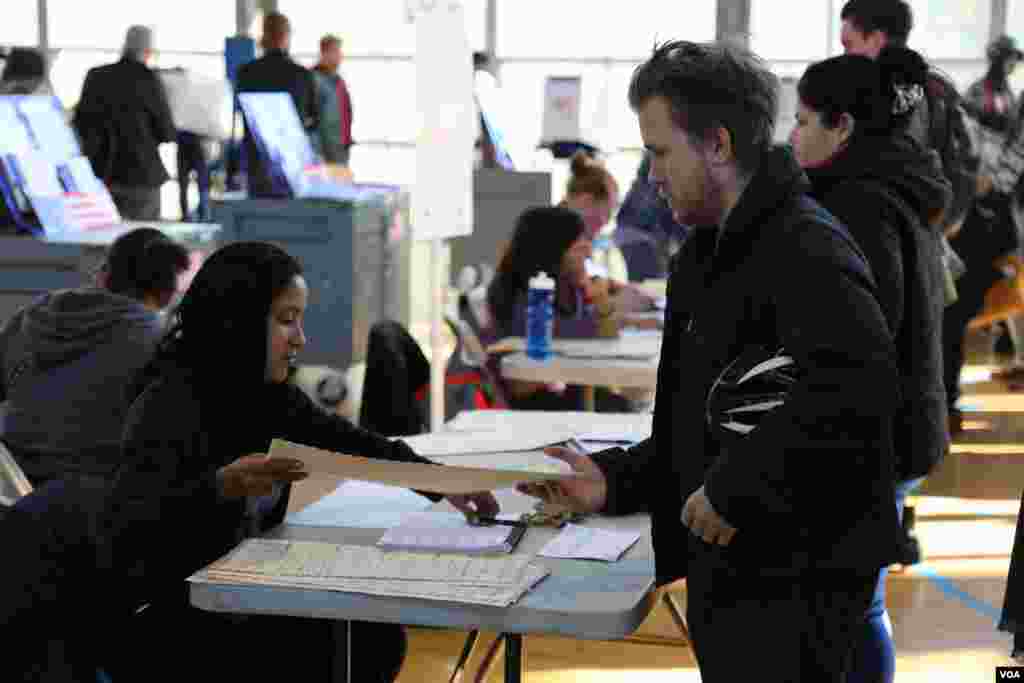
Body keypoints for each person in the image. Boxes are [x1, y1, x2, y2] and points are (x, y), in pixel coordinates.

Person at [519, 40, 904, 682]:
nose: (653, 176)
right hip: (735, 568)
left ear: (718, 145)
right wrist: (614, 480)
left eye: (661, 153)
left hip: (798, 579)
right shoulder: (705, 254)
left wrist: (736, 488)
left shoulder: (805, 247)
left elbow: (857, 389)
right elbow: (695, 425)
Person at [94, 241, 497, 682]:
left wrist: (445, 483)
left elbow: (359, 446)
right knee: (360, 645)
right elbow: (131, 526)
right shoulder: (167, 404)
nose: (300, 338)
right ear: (238, 321)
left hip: (239, 597)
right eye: (286, 320)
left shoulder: (266, 395)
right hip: (173, 622)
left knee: (369, 639)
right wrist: (220, 488)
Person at [790, 48, 951, 683]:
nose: (792, 135)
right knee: (862, 603)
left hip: (873, 437)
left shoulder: (856, 204)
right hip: (902, 428)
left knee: (852, 609)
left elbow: (861, 339)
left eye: (803, 121)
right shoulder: (894, 186)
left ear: (844, 127)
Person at [0, 227, 190, 487]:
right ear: (168, 292)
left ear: (105, 274)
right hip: (95, 497)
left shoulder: (33, 316)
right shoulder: (159, 340)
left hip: (14, 485)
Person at [483, 206, 631, 412]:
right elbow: (528, 377)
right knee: (618, 408)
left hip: (562, 389)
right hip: (529, 403)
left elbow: (606, 339)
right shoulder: (522, 295)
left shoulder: (570, 287)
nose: (588, 251)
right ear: (553, 251)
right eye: (579, 247)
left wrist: (601, 301)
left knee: (619, 405)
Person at [73, 25, 177, 220]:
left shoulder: (96, 76)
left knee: (103, 242)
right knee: (143, 242)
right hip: (141, 176)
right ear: (148, 51)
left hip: (102, 175)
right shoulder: (148, 78)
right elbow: (166, 132)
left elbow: (80, 124)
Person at [236, 12, 320, 197]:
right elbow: (314, 121)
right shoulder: (302, 75)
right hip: (291, 167)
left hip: (256, 164)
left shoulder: (246, 73)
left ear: (264, 35)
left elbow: (241, 112)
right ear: (286, 36)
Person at [313, 34, 354, 166]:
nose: (340, 56)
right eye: (336, 51)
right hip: (325, 156)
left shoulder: (338, 80)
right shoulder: (314, 80)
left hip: (341, 151)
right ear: (325, 53)